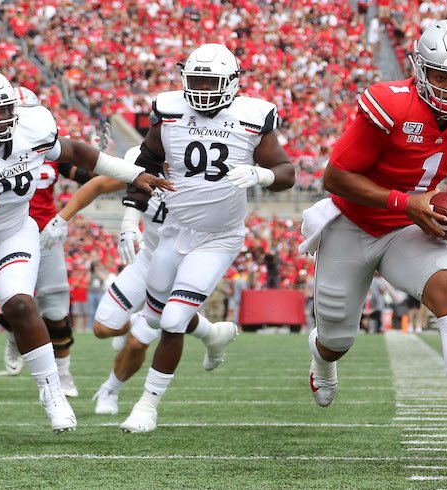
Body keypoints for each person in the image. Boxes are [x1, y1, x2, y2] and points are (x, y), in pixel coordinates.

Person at [299, 19, 447, 459]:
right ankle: (321, 361)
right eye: (442, 76)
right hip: (354, 224)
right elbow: (336, 176)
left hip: (410, 227)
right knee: (337, 339)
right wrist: (404, 202)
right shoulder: (389, 103)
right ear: (419, 68)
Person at [0, 67, 169, 432]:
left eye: (6, 109)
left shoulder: (31, 127)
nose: (2, 119)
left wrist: (132, 174)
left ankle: (52, 394)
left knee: (21, 304)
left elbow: (77, 153)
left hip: (12, 235)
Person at [118, 43, 295, 433]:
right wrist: (130, 218)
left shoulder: (252, 116)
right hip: (173, 231)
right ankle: (214, 335)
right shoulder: (169, 111)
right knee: (153, 316)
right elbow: (144, 164)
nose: (202, 89)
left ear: (231, 83)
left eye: (210, 81)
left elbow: (286, 171)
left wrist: (260, 175)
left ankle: (147, 406)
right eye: (195, 79)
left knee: (174, 318)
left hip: (219, 237)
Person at [37, 147, 239, 416]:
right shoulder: (143, 163)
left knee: (141, 339)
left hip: (186, 262)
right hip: (148, 257)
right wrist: (61, 219)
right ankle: (210, 333)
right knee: (103, 328)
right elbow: (98, 184)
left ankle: (111, 389)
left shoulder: (205, 174)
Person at [0, 86, 92, 397]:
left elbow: (83, 176)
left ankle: (64, 374)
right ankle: (15, 335)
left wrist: (96, 166)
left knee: (55, 308)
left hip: (44, 232)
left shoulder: (48, 148)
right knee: (12, 301)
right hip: (6, 233)